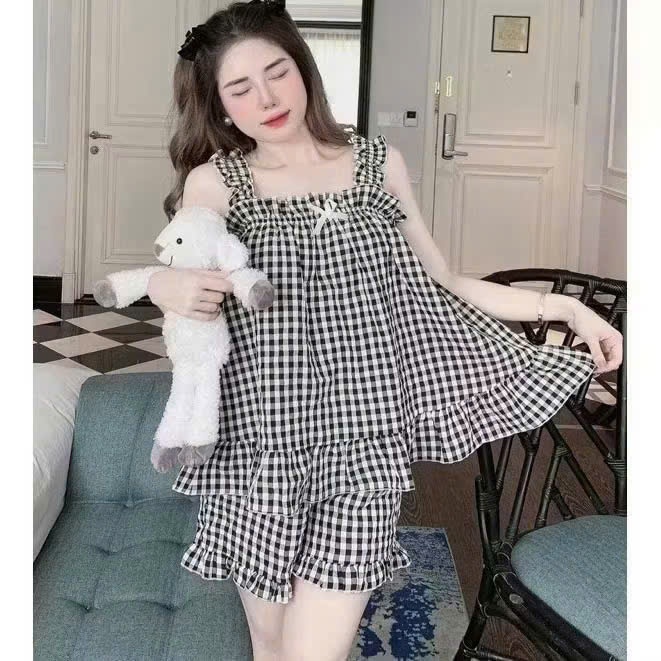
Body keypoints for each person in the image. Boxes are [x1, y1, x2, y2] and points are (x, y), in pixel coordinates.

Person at [146, 1, 623, 659]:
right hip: (258, 445)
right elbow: (179, 284)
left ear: (303, 70)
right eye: (241, 87)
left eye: (277, 72)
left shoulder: (377, 165)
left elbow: (443, 280)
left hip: (361, 447)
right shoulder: (217, 183)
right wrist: (164, 286)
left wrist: (563, 309)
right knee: (271, 642)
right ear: (222, 107)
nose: (267, 98)